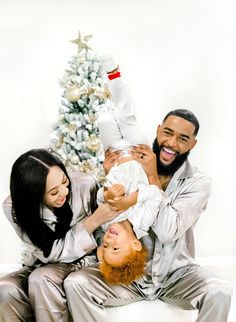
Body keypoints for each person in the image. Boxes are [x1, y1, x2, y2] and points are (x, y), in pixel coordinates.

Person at [63, 108, 232, 322]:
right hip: (127, 276)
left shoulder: (198, 183)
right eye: (167, 133)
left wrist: (152, 176)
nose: (171, 143)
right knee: (76, 283)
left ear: (192, 144)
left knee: (219, 292)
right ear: (158, 130)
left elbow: (167, 231)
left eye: (182, 138)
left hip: (176, 275)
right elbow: (106, 228)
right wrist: (111, 181)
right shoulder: (130, 167)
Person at [0, 148, 120, 322]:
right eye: (53, 192)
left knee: (41, 279)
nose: (64, 192)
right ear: (34, 197)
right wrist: (91, 222)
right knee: (4, 289)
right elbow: (49, 253)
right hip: (44, 263)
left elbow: (105, 233)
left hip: (84, 260)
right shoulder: (15, 207)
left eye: (65, 181)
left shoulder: (85, 184)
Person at [96, 56, 160, 285]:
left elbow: (99, 198)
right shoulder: (143, 222)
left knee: (104, 119)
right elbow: (155, 194)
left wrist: (107, 195)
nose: (109, 240)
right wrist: (129, 201)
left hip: (114, 159)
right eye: (116, 247)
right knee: (125, 117)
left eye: (106, 246)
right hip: (136, 153)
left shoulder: (105, 223)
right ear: (135, 245)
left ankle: (98, 87)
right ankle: (114, 74)